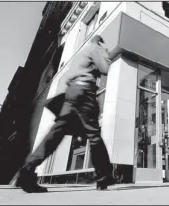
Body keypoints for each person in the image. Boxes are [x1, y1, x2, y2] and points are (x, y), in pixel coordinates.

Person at [17, 35, 114, 193]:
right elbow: (105, 69)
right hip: (84, 92)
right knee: (94, 134)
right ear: (100, 42)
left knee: (57, 131)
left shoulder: (81, 53)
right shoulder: (95, 48)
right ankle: (104, 177)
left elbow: (67, 76)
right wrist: (106, 56)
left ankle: (27, 170)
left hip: (71, 93)